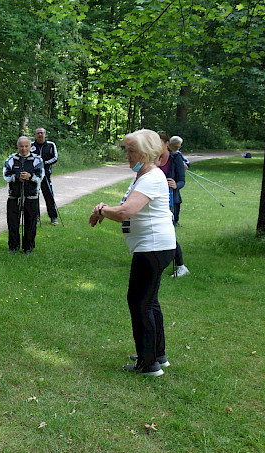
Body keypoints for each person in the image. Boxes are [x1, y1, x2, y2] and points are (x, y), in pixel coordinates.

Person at [89, 128, 176, 377]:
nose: (126, 156)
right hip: (154, 247)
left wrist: (102, 209)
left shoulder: (151, 177)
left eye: (131, 151)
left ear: (146, 152)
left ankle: (148, 364)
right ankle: (157, 354)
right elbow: (125, 209)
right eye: (126, 150)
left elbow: (126, 212)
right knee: (150, 302)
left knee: (139, 303)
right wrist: (105, 209)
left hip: (152, 248)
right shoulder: (144, 175)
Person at [3, 136, 44, 253]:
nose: (24, 149)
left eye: (26, 146)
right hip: (14, 197)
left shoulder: (37, 160)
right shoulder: (11, 159)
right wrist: (16, 178)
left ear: (30, 147)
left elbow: (41, 175)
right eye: (21, 146)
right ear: (18, 147)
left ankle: (28, 247)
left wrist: (30, 177)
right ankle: (13, 247)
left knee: (30, 223)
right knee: (12, 223)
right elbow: (6, 175)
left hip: (31, 197)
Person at [158, 131, 190, 277]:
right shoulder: (152, 158)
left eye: (159, 143)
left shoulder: (176, 158)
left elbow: (182, 180)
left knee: (169, 232)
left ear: (167, 144)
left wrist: (176, 184)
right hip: (156, 198)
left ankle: (181, 266)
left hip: (172, 200)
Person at [31, 127, 60, 225]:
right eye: (38, 133)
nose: (40, 135)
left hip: (46, 175)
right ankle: (36, 217)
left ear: (45, 134)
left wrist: (44, 163)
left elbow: (55, 158)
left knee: (49, 195)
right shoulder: (31, 145)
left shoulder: (51, 145)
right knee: (34, 196)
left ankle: (53, 217)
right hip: (34, 175)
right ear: (35, 135)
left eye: (41, 133)